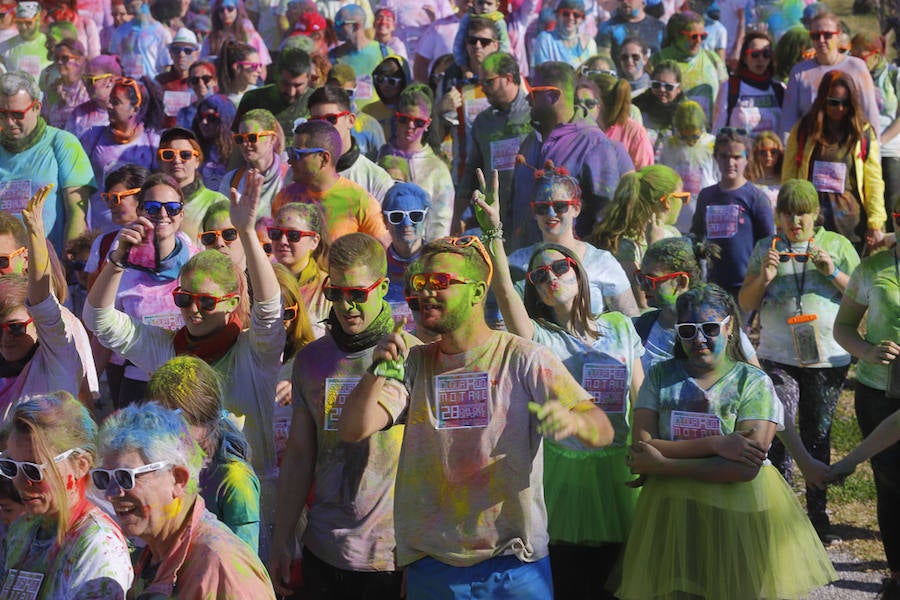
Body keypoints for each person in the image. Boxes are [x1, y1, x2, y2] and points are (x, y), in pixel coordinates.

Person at [339, 232, 614, 598]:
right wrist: (375, 370)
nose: (424, 292)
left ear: (476, 292)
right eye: (420, 282)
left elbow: (602, 428)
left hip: (515, 564)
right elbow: (353, 429)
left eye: (439, 282)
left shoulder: (524, 357)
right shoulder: (415, 363)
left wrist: (575, 421)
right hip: (433, 564)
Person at [85, 168, 285, 558]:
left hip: (250, 504)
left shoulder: (254, 352)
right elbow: (99, 321)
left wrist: (245, 232)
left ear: (230, 303)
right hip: (181, 509)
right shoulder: (166, 350)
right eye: (184, 299)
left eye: (207, 302)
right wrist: (117, 260)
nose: (194, 311)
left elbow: (269, 310)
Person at [475, 169, 643, 599]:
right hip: (563, 474)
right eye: (539, 276)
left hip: (622, 468)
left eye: (560, 268)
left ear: (578, 271)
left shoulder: (621, 326)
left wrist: (649, 452)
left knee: (626, 582)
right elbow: (507, 299)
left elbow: (641, 399)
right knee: (572, 583)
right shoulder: (539, 338)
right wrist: (494, 232)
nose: (551, 277)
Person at [617, 283, 835, 599]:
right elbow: (640, 449)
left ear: (729, 326)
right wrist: (717, 445)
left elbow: (743, 469)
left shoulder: (754, 383)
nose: (699, 338)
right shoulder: (661, 376)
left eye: (708, 328)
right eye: (688, 330)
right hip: (673, 512)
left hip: (737, 514)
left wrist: (663, 463)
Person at [271, 233, 415, 598]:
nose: (347, 305)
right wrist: (282, 538)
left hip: (390, 557)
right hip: (323, 548)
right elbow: (300, 457)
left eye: (358, 294)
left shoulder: (413, 355)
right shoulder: (311, 360)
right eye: (337, 293)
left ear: (382, 287)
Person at [738, 179, 859, 545]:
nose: (796, 221)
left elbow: (861, 293)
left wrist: (831, 270)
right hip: (778, 356)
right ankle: (782, 516)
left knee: (818, 436)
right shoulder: (767, 246)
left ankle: (817, 518)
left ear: (815, 214)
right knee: (780, 429)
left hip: (828, 356)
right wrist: (764, 277)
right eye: (788, 213)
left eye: (803, 213)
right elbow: (745, 301)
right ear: (779, 215)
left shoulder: (836, 244)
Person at [95, 402, 275, 597]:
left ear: (178, 479)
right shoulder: (156, 553)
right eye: (103, 478)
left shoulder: (221, 566)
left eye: (125, 477)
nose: (111, 493)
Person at [0, 392, 133, 598]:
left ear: (80, 465)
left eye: (34, 469)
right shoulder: (22, 529)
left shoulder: (98, 545)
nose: (19, 481)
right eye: (10, 466)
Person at [833, 209, 900, 598]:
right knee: (889, 484)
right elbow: (842, 328)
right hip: (878, 393)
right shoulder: (871, 269)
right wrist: (868, 352)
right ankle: (896, 573)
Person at [147, 355, 261, 551]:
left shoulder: (235, 479)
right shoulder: (170, 465)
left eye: (171, 418)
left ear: (202, 415)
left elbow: (244, 560)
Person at [513, 61, 633, 245]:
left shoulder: (592, 143)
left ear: (553, 96)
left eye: (533, 92)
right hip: (525, 263)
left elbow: (607, 220)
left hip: (571, 266)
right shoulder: (530, 141)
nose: (527, 99)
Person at [0, 187, 95, 415]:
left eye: (2, 261)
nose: (6, 337)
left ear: (25, 258)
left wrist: (35, 231)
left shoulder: (58, 327)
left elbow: (44, 304)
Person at [509, 165, 640, 317]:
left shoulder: (602, 262)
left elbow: (630, 322)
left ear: (576, 208)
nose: (551, 213)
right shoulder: (517, 263)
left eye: (560, 206)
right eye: (542, 208)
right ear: (534, 213)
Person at [782, 70, 886, 250]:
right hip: (811, 223)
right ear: (823, 100)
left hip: (851, 225)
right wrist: (782, 218)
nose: (840, 108)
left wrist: (875, 223)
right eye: (833, 102)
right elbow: (789, 177)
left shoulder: (863, 133)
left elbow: (874, 181)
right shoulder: (804, 130)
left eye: (845, 104)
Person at [0, 71, 94, 250]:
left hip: (49, 264)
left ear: (37, 107)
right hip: (6, 267)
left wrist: (69, 263)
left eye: (17, 114)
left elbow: (77, 212)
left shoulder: (63, 143)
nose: (10, 122)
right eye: (2, 114)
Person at [272, 120, 390, 245]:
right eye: (290, 152)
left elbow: (383, 254)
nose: (289, 160)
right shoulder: (285, 198)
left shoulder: (360, 203)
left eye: (297, 154)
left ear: (324, 158)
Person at [454, 51, 532, 236]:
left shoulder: (535, 113)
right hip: (497, 222)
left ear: (508, 78)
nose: (483, 88)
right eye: (481, 83)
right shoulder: (483, 122)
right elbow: (471, 173)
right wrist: (457, 217)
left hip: (532, 221)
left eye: (488, 82)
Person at [691, 129, 774, 301]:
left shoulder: (756, 198)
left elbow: (768, 243)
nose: (730, 162)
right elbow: (696, 237)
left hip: (748, 285)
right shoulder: (706, 196)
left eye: (737, 157)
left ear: (747, 159)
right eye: (724, 156)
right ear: (716, 157)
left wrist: (763, 284)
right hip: (714, 286)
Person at [590, 165, 685, 310]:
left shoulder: (672, 233)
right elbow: (642, 303)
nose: (684, 203)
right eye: (683, 198)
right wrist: (654, 247)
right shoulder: (625, 246)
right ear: (667, 201)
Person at [80, 77, 160, 233]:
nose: (108, 106)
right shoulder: (92, 137)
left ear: (135, 109)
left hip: (140, 230)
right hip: (99, 230)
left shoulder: (152, 142)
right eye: (110, 100)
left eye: (115, 102)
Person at [782, 10, 879, 139]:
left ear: (838, 36)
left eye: (827, 35)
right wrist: (789, 153)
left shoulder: (857, 67)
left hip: (849, 146)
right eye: (815, 36)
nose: (821, 40)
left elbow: (870, 113)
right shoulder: (800, 71)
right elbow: (789, 119)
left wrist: (873, 153)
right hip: (810, 148)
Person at [379, 84, 453, 241]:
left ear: (427, 124)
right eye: (404, 120)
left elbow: (441, 223)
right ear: (396, 118)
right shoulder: (378, 159)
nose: (410, 126)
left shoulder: (437, 169)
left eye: (418, 122)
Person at [308, 85, 394, 202]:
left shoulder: (376, 179)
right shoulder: (298, 174)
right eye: (316, 120)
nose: (323, 126)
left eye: (331, 119)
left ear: (350, 120)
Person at [850, 32, 900, 233]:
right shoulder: (850, 77)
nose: (858, 63)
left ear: (876, 54)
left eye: (862, 58)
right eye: (853, 58)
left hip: (889, 150)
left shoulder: (893, 75)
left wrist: (879, 142)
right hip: (859, 149)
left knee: (892, 206)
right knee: (863, 207)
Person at [650, 11, 727, 129]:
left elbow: (724, 97)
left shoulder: (713, 59)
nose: (699, 41)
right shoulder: (658, 60)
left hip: (707, 135)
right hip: (671, 133)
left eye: (703, 36)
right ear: (677, 35)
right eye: (693, 36)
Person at [270, 202, 331, 338]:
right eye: (276, 233)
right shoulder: (261, 282)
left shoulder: (328, 289)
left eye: (293, 235)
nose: (283, 240)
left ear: (314, 241)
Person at [159, 127, 228, 239]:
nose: (176, 160)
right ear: (160, 161)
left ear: (197, 161)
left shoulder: (216, 202)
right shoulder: (152, 205)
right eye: (168, 154)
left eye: (185, 155)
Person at [657, 100, 717, 232]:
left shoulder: (712, 144)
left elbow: (718, 177)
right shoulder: (670, 145)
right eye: (684, 137)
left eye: (695, 136)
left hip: (706, 214)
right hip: (677, 217)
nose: (690, 141)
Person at [712, 32, 785, 138]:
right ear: (745, 57)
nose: (761, 59)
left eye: (766, 54)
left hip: (770, 154)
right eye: (755, 54)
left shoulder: (780, 89)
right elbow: (717, 130)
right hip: (740, 153)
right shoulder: (730, 87)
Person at [219, 109, 289, 219]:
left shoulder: (290, 176)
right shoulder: (231, 180)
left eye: (252, 138)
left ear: (272, 139)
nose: (245, 144)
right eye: (240, 139)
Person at [234, 47, 314, 138]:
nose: (291, 92)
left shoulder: (317, 101)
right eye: (285, 84)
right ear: (276, 75)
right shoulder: (253, 100)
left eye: (298, 85)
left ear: (309, 78)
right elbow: (237, 139)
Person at [381, 182, 430, 328]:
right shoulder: (376, 268)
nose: (407, 223)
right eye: (396, 216)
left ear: (425, 219)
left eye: (416, 216)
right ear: (385, 221)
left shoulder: (439, 263)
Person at [591, 72, 654, 169]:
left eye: (587, 101)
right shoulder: (580, 128)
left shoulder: (634, 133)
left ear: (599, 102)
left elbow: (644, 175)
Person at [201, 0, 271, 79]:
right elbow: (203, 64)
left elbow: (262, 67)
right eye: (221, 10)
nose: (225, 12)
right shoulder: (211, 39)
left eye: (230, 9)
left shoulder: (251, 36)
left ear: (237, 10)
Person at [633, 60, 686, 159]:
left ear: (678, 89)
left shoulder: (685, 114)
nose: (662, 89)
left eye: (668, 87)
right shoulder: (637, 106)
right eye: (656, 85)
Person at [329, 4, 394, 84]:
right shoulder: (333, 56)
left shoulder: (385, 54)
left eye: (339, 24)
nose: (335, 28)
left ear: (356, 26)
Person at [108, 0, 173, 79]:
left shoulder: (161, 32)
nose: (125, 2)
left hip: (152, 87)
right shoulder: (120, 31)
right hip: (126, 87)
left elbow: (166, 67)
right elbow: (112, 62)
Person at [66, 55, 122, 139]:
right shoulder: (78, 114)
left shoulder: (128, 114)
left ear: (110, 81)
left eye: (90, 80)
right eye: (84, 79)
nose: (85, 85)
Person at [532, 0, 598, 68]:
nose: (571, 18)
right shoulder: (545, 39)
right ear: (557, 15)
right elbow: (540, 73)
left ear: (582, 19)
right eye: (566, 13)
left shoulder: (590, 44)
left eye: (576, 15)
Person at [191, 94, 236, 192]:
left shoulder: (240, 150)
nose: (204, 122)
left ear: (226, 119)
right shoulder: (193, 149)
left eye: (211, 117)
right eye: (200, 117)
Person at [156, 27, 199, 128]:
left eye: (188, 51)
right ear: (170, 54)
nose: (181, 55)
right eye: (176, 50)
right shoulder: (159, 82)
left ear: (197, 54)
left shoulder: (203, 81)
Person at [41, 39, 89, 130]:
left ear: (79, 60)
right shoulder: (51, 90)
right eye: (56, 58)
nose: (59, 62)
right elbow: (44, 122)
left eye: (64, 58)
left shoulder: (88, 89)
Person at [596, 0, 665, 57]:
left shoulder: (660, 28)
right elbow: (603, 61)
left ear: (643, 1)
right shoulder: (607, 28)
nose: (625, 1)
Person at [0, 2, 49, 79]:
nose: (23, 27)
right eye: (19, 22)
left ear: (38, 20)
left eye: (28, 22)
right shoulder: (4, 47)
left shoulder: (51, 45)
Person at [216, 41, 262, 107]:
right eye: (254, 66)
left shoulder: (258, 95)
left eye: (260, 65)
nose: (259, 70)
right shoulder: (220, 102)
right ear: (237, 67)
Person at [746, 131, 784, 210]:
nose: (768, 155)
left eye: (773, 152)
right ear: (755, 154)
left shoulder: (786, 178)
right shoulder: (747, 180)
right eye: (763, 152)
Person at [176, 59, 218, 130]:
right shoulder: (184, 114)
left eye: (206, 79)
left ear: (215, 81)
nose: (200, 83)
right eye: (195, 80)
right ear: (189, 83)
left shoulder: (224, 109)